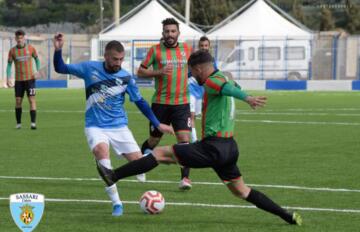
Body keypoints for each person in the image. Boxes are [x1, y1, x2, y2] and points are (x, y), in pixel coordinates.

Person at [96, 50, 302, 225]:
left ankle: (113, 176)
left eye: (193, 72)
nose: (193, 76)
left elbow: (226, 89)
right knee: (242, 191)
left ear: (200, 68)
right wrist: (245, 94)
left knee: (159, 153)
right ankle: (287, 216)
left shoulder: (213, 82)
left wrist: (247, 98)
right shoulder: (227, 77)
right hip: (230, 148)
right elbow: (232, 87)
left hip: (213, 147)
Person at [53, 33, 174, 217]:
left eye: (121, 59)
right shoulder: (89, 68)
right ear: (106, 56)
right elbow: (61, 68)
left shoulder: (126, 78)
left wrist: (158, 124)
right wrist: (58, 49)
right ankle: (117, 203)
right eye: (115, 59)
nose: (118, 63)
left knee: (140, 163)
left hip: (119, 127)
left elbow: (140, 102)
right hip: (95, 125)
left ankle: (142, 157)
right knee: (102, 154)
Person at [137, 18, 193, 190]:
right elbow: (140, 71)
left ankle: (185, 179)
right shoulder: (155, 51)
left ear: (178, 33)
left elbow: (195, 68)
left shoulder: (187, 49)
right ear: (163, 33)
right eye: (167, 31)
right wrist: (158, 72)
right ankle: (140, 164)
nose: (170, 34)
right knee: (153, 141)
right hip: (160, 104)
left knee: (184, 142)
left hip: (182, 104)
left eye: (173, 31)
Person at [6, 30, 41, 130]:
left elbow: (37, 59)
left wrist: (37, 71)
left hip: (30, 79)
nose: (19, 40)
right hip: (19, 81)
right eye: (18, 38)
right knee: (18, 101)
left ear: (24, 38)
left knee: (31, 100)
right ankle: (18, 124)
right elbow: (9, 65)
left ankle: (33, 123)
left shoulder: (31, 48)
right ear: (15, 38)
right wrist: (8, 77)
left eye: (21, 38)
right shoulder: (12, 51)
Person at [188, 36, 216, 142]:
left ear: (209, 47)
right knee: (191, 116)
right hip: (190, 88)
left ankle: (204, 138)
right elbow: (189, 72)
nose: (204, 47)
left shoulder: (212, 60)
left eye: (206, 45)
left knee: (202, 116)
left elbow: (215, 73)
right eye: (201, 45)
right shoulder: (194, 58)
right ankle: (195, 140)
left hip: (202, 91)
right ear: (198, 46)